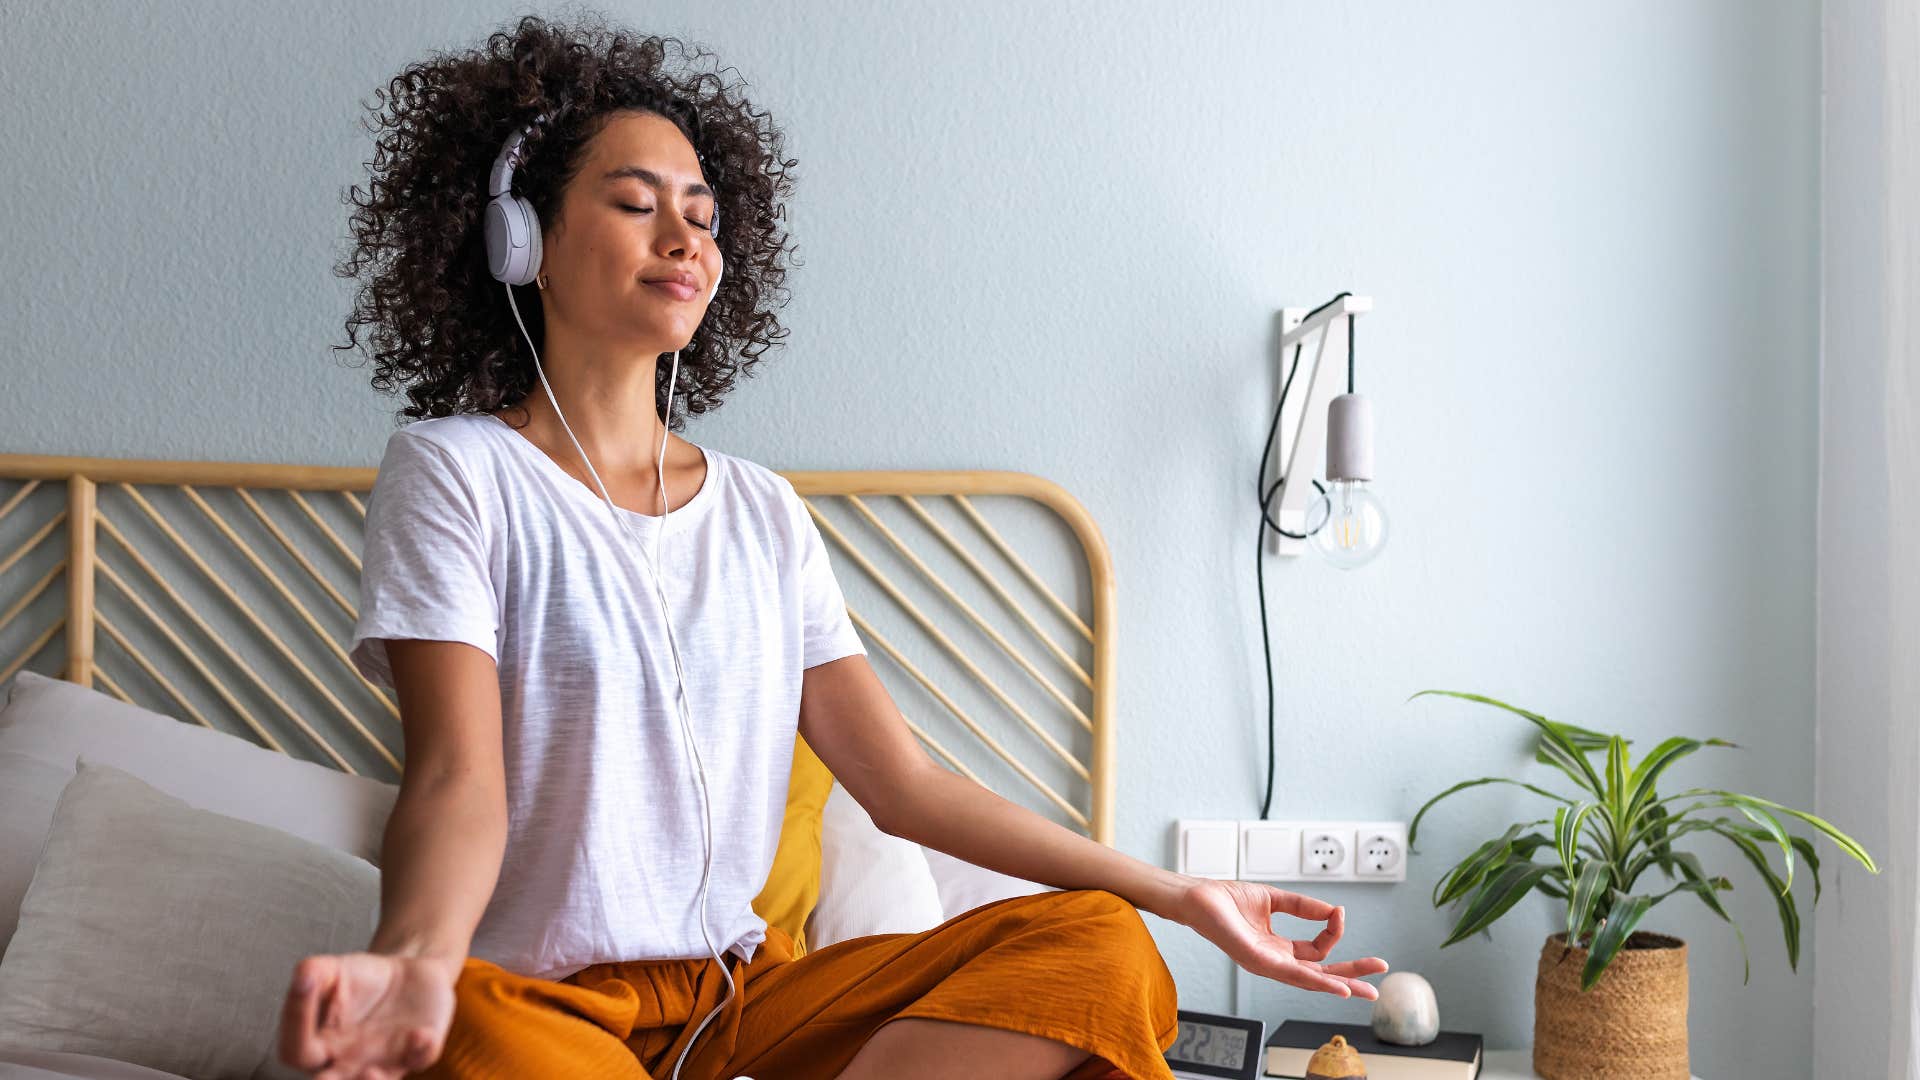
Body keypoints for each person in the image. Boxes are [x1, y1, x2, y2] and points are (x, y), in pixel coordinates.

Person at [277, 12, 1388, 1080]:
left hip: (744, 1006)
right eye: (634, 203)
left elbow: (901, 787)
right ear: (525, 243)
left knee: (1099, 948)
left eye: (704, 217)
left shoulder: (763, 513)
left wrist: (1175, 892)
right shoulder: (456, 472)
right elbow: (458, 782)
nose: (683, 239)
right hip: (543, 1009)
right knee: (463, 1029)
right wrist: (417, 965)